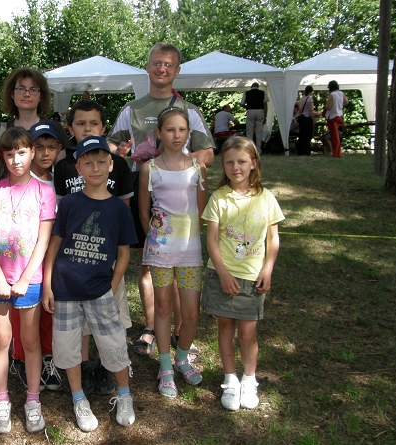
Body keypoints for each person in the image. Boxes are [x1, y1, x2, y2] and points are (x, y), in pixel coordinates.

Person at [107, 42, 214, 360]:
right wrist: (121, 152)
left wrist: (170, 160)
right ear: (148, 67)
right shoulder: (131, 110)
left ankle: (183, 333)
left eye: (169, 64)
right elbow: (110, 146)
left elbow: (207, 153)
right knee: (148, 264)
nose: (162, 69)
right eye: (157, 63)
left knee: (181, 264)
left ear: (177, 70)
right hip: (144, 193)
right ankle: (153, 327)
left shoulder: (190, 111)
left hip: (178, 198)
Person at [42, 136, 137, 432]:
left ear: (111, 165)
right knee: (69, 349)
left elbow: (123, 253)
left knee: (114, 344)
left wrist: (113, 283)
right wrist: (47, 285)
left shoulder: (119, 208)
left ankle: (124, 395)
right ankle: (78, 397)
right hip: (65, 290)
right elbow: (55, 244)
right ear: (79, 167)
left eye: (101, 161)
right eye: (88, 162)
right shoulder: (69, 203)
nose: (95, 167)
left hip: (100, 291)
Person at [54, 100, 133, 397]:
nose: (87, 128)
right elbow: (62, 216)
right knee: (79, 325)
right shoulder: (63, 167)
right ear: (70, 129)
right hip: (74, 262)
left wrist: (113, 267)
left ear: (103, 127)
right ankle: (85, 368)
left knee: (111, 316)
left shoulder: (119, 165)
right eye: (80, 123)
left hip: (107, 260)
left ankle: (106, 367)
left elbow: (121, 210)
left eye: (94, 123)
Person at [0, 127, 56, 435]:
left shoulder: (44, 192)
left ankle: (33, 399)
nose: (15, 160)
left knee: (30, 340)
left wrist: (25, 279)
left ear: (33, 153)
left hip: (31, 281)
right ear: (3, 157)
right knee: (1, 340)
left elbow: (44, 240)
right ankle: (1, 399)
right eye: (9, 154)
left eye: (22, 152)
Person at [201, 136, 284, 411]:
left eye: (242, 161)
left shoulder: (267, 198)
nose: (235, 167)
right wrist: (223, 273)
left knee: (248, 334)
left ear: (253, 164)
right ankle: (230, 380)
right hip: (222, 274)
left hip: (252, 277)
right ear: (222, 165)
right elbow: (212, 240)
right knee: (225, 326)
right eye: (229, 162)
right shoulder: (218, 198)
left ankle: (249, 380)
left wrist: (268, 269)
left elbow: (273, 239)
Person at [139, 106, 207, 398]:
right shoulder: (149, 169)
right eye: (170, 129)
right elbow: (143, 211)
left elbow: (202, 210)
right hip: (161, 252)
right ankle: (165, 366)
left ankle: (182, 358)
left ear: (188, 133)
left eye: (181, 130)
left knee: (191, 313)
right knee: (163, 309)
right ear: (159, 133)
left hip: (190, 251)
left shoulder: (197, 168)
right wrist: (154, 239)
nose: (176, 135)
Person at [6, 121, 63, 392]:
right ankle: (20, 357)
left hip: (55, 255)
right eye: (38, 147)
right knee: (23, 311)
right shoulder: (22, 179)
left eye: (50, 148)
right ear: (29, 151)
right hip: (23, 260)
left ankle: (47, 356)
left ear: (59, 150)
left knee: (49, 308)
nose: (44, 154)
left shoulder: (61, 178)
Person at [0, 68, 70, 173]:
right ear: (12, 94)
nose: (27, 94)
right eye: (21, 89)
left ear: (41, 96)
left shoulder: (54, 128)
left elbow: (61, 173)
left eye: (33, 89)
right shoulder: (1, 130)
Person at [240, 82, 268, 153]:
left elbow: (241, 104)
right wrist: (265, 116)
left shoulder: (247, 93)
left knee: (250, 132)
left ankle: (250, 149)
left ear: (251, 86)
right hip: (260, 111)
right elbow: (265, 105)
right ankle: (258, 150)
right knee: (259, 132)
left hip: (250, 111)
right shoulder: (262, 93)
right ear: (258, 87)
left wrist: (248, 107)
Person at [323, 80, 349, 158]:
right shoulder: (341, 93)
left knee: (335, 136)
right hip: (339, 115)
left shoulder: (332, 95)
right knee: (336, 135)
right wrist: (339, 105)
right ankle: (337, 152)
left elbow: (329, 106)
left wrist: (325, 107)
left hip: (332, 116)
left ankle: (336, 153)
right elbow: (346, 102)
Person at [296, 86, 320, 156]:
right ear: (310, 92)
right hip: (307, 119)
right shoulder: (309, 99)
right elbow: (310, 110)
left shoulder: (301, 100)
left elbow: (300, 111)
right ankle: (306, 151)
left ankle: (300, 151)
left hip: (302, 119)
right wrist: (313, 120)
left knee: (301, 135)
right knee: (307, 136)